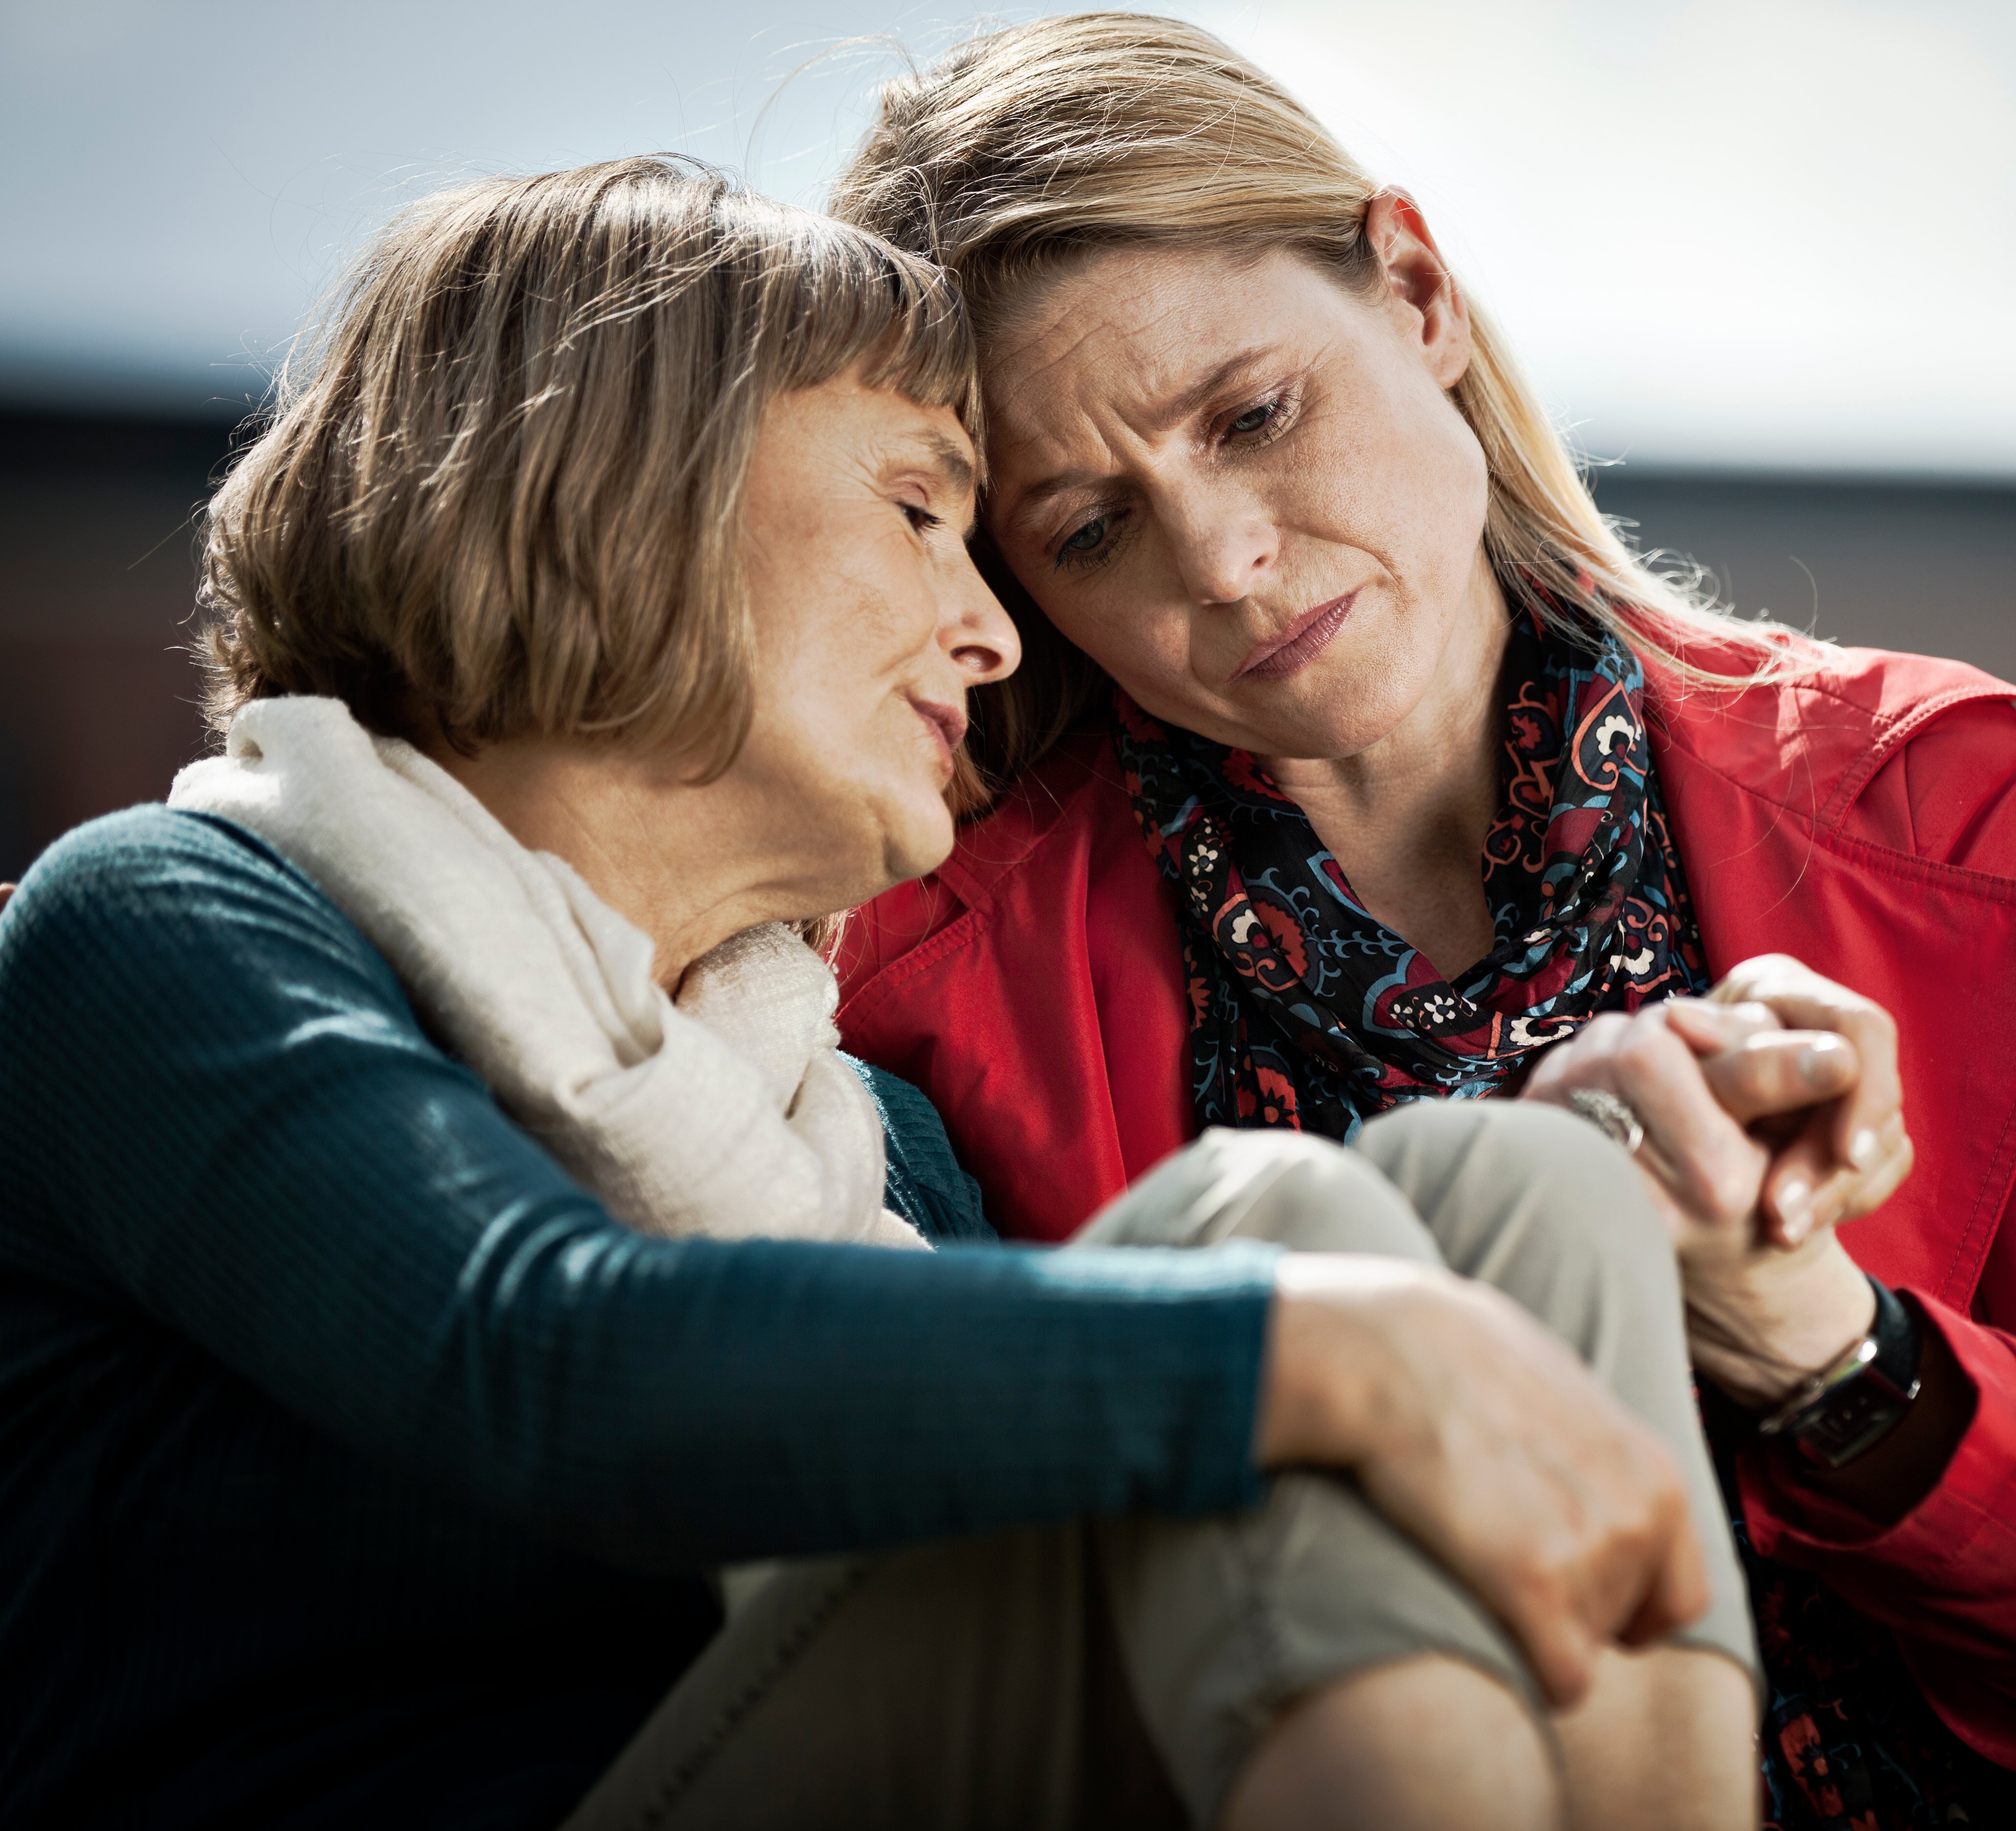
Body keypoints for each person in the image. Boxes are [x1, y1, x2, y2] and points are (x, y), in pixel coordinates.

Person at [817, 15, 2016, 1829]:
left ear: (1418, 293)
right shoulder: (917, 1002)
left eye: (1254, 414)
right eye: (1089, 527)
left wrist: (1832, 1346)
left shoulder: (1947, 802)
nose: (1219, 555)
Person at [0, 156, 1772, 1831]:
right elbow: (540, 1359)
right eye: (925, 511)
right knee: (1279, 1235)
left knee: (1523, 1192)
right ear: (628, 496)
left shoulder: (875, 1148)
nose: (996, 636)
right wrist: (1312, 1342)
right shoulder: (165, 928)